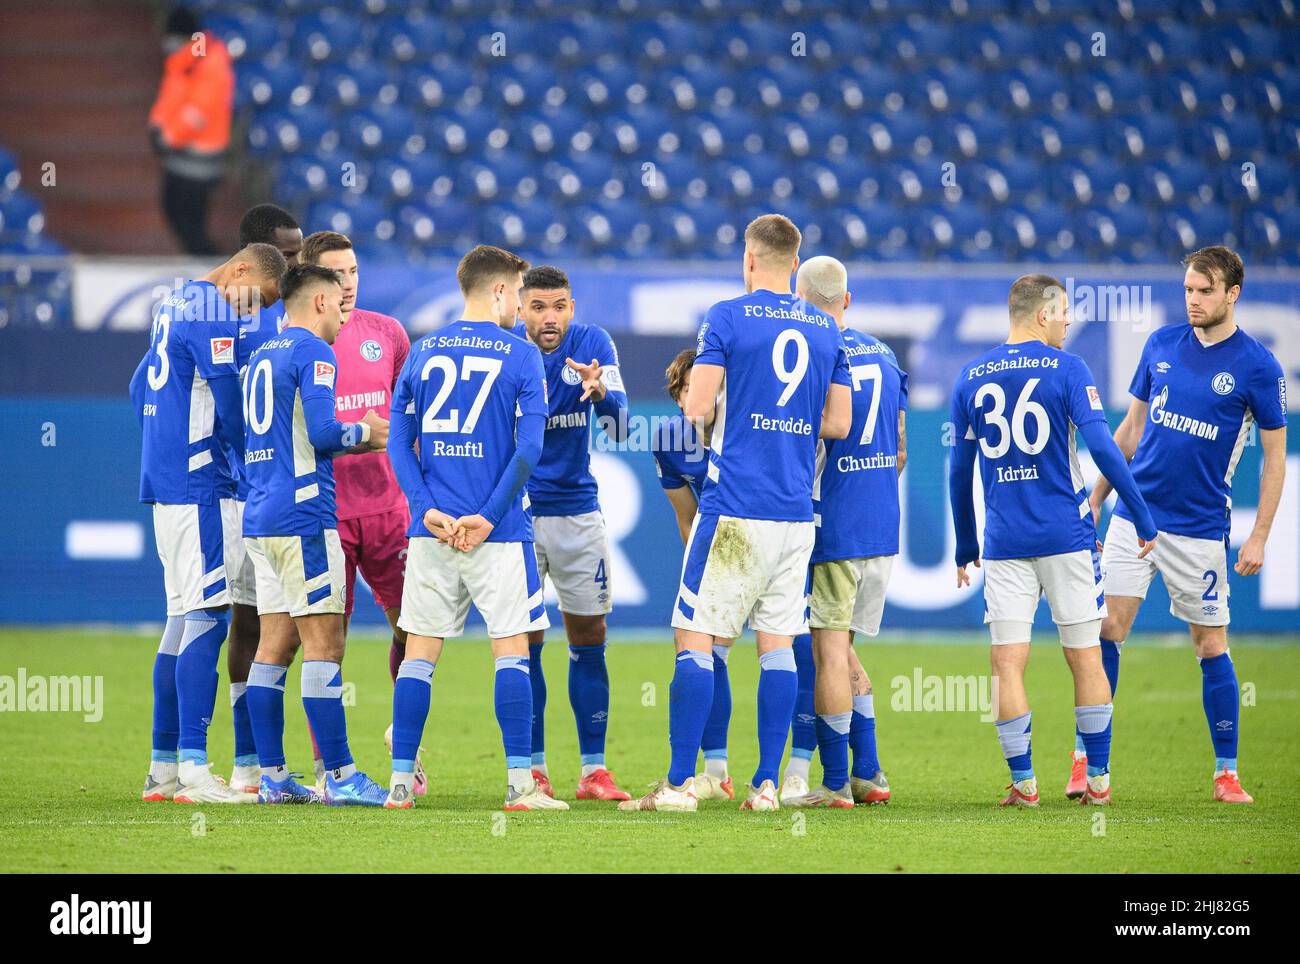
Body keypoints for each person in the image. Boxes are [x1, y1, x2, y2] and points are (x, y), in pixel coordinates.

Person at [621, 213, 852, 813]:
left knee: (695, 639)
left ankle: (675, 787)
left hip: (734, 505)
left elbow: (696, 409)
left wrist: (736, 404)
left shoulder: (726, 316)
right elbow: (839, 423)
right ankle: (767, 786)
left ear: (749, 260)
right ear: (794, 265)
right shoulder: (827, 329)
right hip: (796, 513)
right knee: (778, 646)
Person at [1083, 247, 1287, 804]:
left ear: (1232, 294)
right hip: (1135, 514)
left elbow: (1274, 458)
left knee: (1210, 642)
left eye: (1205, 291)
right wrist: (1098, 495)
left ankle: (1226, 774)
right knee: (1107, 631)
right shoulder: (1160, 346)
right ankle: (1088, 763)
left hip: (1199, 527)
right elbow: (1130, 429)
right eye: (1189, 290)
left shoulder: (1260, 367)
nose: (1193, 300)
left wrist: (1262, 533)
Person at [949, 274, 1158, 808]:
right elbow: (1106, 452)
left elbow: (959, 470)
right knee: (1085, 657)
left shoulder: (971, 376)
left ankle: (1024, 784)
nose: (1068, 320)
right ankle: (1100, 783)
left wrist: (964, 545)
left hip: (1004, 542)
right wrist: (1140, 515)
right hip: (1066, 536)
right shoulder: (1068, 369)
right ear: (1042, 315)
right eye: (1063, 311)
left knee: (1006, 663)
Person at [385, 245, 568, 812]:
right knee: (511, 651)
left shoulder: (421, 351)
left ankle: (398, 785)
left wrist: (425, 508)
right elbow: (530, 448)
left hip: (433, 530)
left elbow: (397, 442)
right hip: (499, 531)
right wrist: (488, 516)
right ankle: (518, 786)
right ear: (497, 292)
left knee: (419, 653)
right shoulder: (520, 356)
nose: (520, 304)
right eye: (517, 292)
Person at [132, 243, 285, 804]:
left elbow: (137, 385)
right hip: (201, 487)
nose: (253, 314)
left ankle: (163, 767)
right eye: (259, 300)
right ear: (241, 270)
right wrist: (257, 467)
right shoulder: (215, 308)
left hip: (167, 480)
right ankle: (195, 771)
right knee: (208, 615)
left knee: (180, 618)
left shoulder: (174, 302)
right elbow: (228, 402)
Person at [240, 264, 390, 805]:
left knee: (272, 649)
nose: (343, 314)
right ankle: (342, 776)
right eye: (339, 303)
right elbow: (326, 433)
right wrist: (368, 433)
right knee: (326, 645)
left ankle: (274, 778)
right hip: (304, 516)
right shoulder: (313, 353)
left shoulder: (261, 354)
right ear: (321, 302)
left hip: (260, 517)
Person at [783, 255, 907, 809]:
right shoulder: (884, 353)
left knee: (829, 653)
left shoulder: (813, 352)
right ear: (847, 301)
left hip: (834, 526)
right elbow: (901, 448)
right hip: (882, 524)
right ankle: (871, 774)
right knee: (847, 653)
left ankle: (835, 784)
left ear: (798, 300)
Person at [299, 231, 416, 792]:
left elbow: (409, 418)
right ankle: (328, 768)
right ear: (312, 281)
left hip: (390, 508)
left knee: (414, 629)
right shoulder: (295, 341)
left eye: (354, 272)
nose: (347, 284)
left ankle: (406, 741)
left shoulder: (387, 334)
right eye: (336, 273)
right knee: (328, 644)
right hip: (325, 514)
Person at [516, 265, 631, 802]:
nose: (549, 317)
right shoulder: (505, 349)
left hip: (577, 513)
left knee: (589, 638)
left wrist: (602, 393)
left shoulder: (593, 345)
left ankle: (593, 771)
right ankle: (534, 770)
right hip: (515, 514)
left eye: (559, 305)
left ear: (572, 307)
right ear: (520, 309)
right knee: (524, 642)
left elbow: (622, 425)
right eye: (538, 306)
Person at [225, 202, 303, 795]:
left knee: (289, 627)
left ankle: (269, 765)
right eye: (290, 254)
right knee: (245, 622)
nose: (298, 263)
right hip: (240, 491)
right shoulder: (242, 316)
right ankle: (248, 762)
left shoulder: (295, 319)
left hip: (277, 493)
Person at [650, 350, 736, 801]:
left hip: (762, 543)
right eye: (685, 390)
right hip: (714, 552)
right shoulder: (668, 440)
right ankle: (717, 773)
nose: (693, 397)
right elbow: (688, 516)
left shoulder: (740, 432)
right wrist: (701, 571)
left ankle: (798, 770)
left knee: (788, 645)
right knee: (705, 648)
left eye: (701, 387)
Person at [148, 6, 233, 256]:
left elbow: (199, 112)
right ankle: (201, 266)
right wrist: (157, 126)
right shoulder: (182, 61)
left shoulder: (212, 63)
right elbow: (170, 97)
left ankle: (211, 270)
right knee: (173, 211)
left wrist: (168, 137)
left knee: (191, 221)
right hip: (179, 156)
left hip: (200, 160)